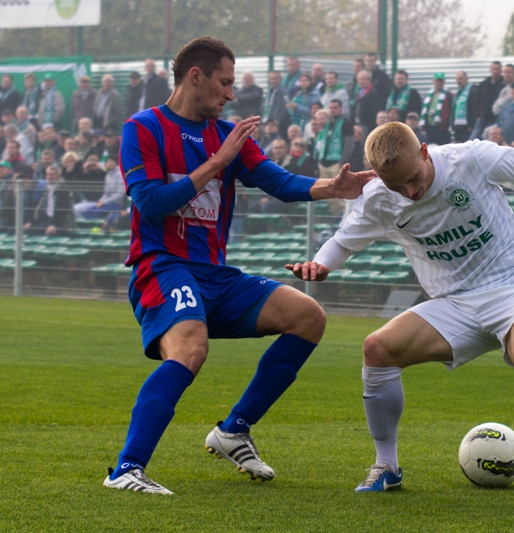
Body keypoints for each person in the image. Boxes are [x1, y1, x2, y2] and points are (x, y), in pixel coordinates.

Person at [286, 122, 514, 514]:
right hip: (454, 304)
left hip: (513, 287)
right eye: (397, 186)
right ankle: (386, 465)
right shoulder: (378, 197)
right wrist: (321, 265)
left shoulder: (470, 158)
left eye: (413, 178)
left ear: (425, 152)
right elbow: (342, 242)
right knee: (377, 349)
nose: (410, 192)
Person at [102, 37, 374, 495]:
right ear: (196, 76)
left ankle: (234, 430)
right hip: (163, 265)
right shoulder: (143, 128)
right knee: (190, 347)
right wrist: (219, 160)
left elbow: (279, 181)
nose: (230, 94)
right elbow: (150, 204)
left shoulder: (226, 135)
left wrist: (333, 187)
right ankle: (126, 470)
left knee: (308, 317)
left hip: (215, 274)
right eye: (224, 82)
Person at [23, 165, 75, 236]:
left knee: (49, 234)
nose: (49, 177)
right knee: (29, 231)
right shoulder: (46, 188)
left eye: (52, 175)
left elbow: (61, 209)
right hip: (48, 220)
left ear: (58, 176)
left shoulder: (64, 188)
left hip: (63, 223)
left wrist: (53, 225)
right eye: (48, 175)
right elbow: (39, 207)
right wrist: (31, 222)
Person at [73, 154, 125, 219]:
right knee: (89, 211)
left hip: (117, 203)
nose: (110, 163)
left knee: (96, 212)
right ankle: (89, 228)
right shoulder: (108, 175)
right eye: (108, 161)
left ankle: (98, 228)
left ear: (116, 163)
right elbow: (106, 193)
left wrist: (105, 202)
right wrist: (101, 201)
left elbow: (120, 194)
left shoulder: (120, 175)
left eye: (112, 161)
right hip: (106, 202)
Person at [316, 99, 354, 181]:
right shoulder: (327, 123)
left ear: (341, 109)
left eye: (335, 108)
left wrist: (342, 163)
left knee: (338, 191)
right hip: (323, 164)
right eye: (331, 108)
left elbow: (349, 145)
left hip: (336, 164)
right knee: (324, 191)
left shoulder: (346, 123)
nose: (332, 110)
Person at [469, 61, 505, 141]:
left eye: (498, 69)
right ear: (490, 70)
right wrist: (478, 115)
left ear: (501, 71)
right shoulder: (484, 84)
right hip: (483, 119)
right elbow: (476, 102)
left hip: (497, 119)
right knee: (472, 140)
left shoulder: (504, 85)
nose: (495, 71)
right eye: (494, 68)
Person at [419, 73, 452, 145]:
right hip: (429, 129)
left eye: (441, 81)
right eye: (437, 81)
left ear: (444, 82)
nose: (439, 83)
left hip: (442, 129)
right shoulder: (428, 95)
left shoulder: (448, 95)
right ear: (433, 81)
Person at [354, 71, 382, 136]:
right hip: (357, 124)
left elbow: (375, 111)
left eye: (364, 79)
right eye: (360, 79)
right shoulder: (357, 93)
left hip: (367, 126)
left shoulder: (374, 93)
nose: (362, 81)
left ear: (369, 80)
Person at [451, 71, 476, 143]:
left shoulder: (473, 90)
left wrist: (471, 124)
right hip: (458, 126)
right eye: (457, 79)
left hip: (468, 126)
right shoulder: (458, 93)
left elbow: (474, 108)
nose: (459, 81)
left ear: (467, 78)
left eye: (461, 78)